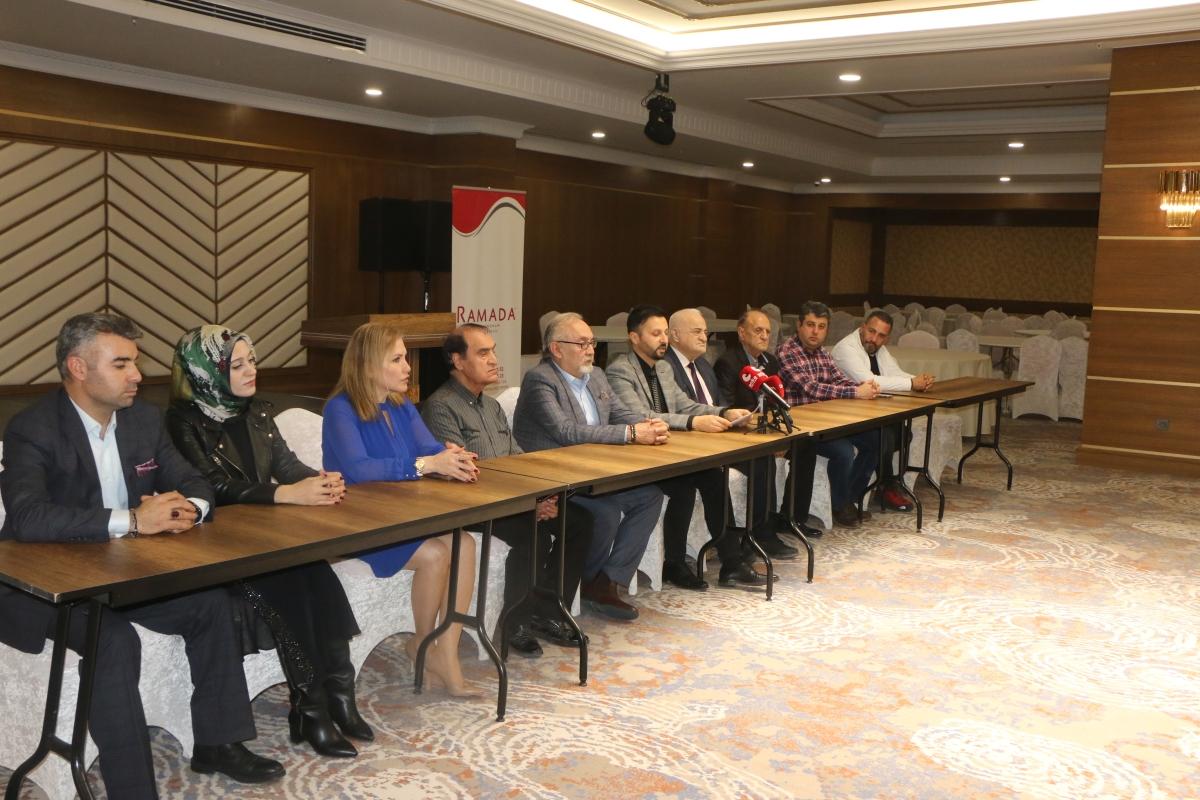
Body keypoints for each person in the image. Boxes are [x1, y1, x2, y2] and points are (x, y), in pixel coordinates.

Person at [0, 313, 283, 799]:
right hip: (45, 586)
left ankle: (218, 742)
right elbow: (27, 517)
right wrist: (132, 520)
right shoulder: (34, 427)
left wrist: (188, 509)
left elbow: (195, 483)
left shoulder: (143, 420)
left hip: (122, 572)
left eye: (135, 362)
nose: (137, 374)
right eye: (121, 364)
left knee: (211, 603)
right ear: (78, 368)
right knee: (112, 639)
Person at [166, 325, 369, 759]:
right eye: (237, 364)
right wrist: (286, 495)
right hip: (215, 544)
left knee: (319, 575)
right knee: (289, 585)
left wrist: (319, 481)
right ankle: (310, 709)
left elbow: (287, 466)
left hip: (263, 537)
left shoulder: (256, 412)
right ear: (206, 372)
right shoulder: (182, 421)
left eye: (252, 361)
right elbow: (213, 486)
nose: (250, 370)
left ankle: (340, 694)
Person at [321, 321, 481, 696]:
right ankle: (422, 644)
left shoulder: (400, 404)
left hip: (404, 515)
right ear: (368, 365)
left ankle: (447, 651)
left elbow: (426, 449)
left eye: (405, 357)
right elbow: (359, 469)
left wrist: (448, 455)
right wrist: (426, 465)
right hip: (361, 522)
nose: (408, 367)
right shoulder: (340, 409)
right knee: (434, 554)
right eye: (397, 359)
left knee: (466, 544)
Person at [421, 324, 592, 656]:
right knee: (534, 533)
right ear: (458, 360)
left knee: (581, 522)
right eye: (483, 353)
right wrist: (528, 504)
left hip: (514, 499)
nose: (493, 360)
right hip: (473, 505)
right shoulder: (440, 406)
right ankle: (516, 622)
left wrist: (542, 495)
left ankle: (548, 613)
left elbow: (518, 458)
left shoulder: (492, 406)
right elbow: (462, 472)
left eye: (493, 351)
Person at [512, 312, 666, 622]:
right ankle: (583, 579)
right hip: (556, 480)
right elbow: (566, 432)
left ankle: (605, 581)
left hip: (597, 474)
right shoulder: (540, 379)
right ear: (556, 349)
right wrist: (631, 434)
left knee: (649, 496)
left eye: (592, 342)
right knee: (605, 513)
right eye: (582, 343)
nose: (590, 350)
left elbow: (620, 413)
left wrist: (649, 424)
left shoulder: (595, 375)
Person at [606, 305, 766, 589]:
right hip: (638, 457)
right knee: (683, 486)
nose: (663, 340)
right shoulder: (619, 371)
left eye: (665, 333)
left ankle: (731, 563)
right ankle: (674, 563)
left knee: (715, 477)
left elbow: (686, 405)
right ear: (634, 338)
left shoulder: (663, 368)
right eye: (655, 334)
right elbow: (639, 416)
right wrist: (694, 422)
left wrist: (723, 412)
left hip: (668, 451)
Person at [714, 309, 817, 549]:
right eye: (758, 330)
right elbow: (726, 407)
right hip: (739, 435)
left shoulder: (770, 362)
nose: (764, 336)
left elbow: (775, 402)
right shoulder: (728, 363)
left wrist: (778, 436)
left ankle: (792, 517)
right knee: (764, 459)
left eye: (768, 332)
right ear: (742, 333)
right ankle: (762, 533)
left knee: (806, 444)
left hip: (764, 430)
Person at [776, 301, 882, 528]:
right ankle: (840, 505)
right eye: (810, 325)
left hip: (827, 423)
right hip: (801, 427)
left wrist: (862, 387)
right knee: (844, 452)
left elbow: (838, 380)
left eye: (821, 326)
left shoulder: (823, 353)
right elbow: (810, 388)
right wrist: (855, 392)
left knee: (876, 440)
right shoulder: (787, 352)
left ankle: (849, 497)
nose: (815, 332)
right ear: (799, 325)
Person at [830, 309, 936, 512]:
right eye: (871, 331)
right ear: (862, 327)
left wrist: (918, 380)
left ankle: (885, 485)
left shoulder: (877, 349)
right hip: (843, 416)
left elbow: (894, 373)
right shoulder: (846, 348)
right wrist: (911, 383)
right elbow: (871, 381)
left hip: (869, 413)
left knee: (903, 434)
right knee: (884, 438)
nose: (874, 339)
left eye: (881, 336)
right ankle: (876, 490)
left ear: (887, 338)